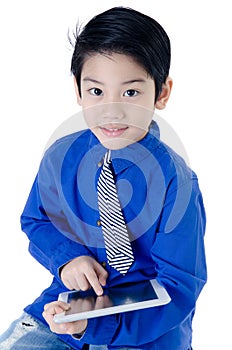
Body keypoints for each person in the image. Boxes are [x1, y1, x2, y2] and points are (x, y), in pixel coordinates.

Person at [0, 6, 207, 350]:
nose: (112, 109)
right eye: (97, 91)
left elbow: (180, 285)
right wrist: (66, 258)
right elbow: (38, 219)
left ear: (162, 93)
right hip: (66, 309)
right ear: (79, 91)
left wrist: (96, 327)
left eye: (130, 92)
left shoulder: (177, 181)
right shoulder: (60, 156)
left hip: (147, 330)